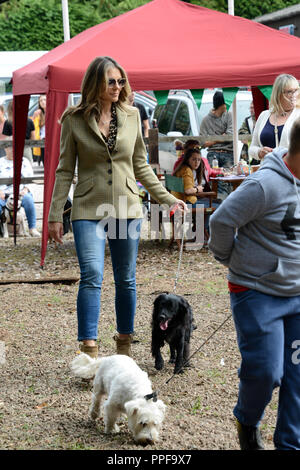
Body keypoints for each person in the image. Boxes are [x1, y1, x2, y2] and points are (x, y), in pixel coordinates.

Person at [48, 56, 186, 359]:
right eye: (111, 81)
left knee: (126, 278)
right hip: (88, 208)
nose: (117, 86)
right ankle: (89, 350)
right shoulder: (73, 119)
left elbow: (140, 165)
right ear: (96, 83)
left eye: (120, 81)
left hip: (126, 207)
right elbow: (63, 169)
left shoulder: (133, 115)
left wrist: (167, 198)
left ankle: (124, 345)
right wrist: (55, 214)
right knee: (92, 274)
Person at [208, 117, 300, 450]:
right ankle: (247, 420)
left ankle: (291, 444)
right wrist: (230, 259)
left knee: (297, 377)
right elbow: (220, 221)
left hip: (298, 296)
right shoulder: (265, 185)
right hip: (257, 291)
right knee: (266, 372)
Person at [249, 73, 300, 163]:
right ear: (278, 94)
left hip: (292, 174)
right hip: (267, 172)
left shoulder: (298, 115)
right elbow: (252, 148)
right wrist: (260, 152)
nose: (293, 95)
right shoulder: (264, 115)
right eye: (289, 92)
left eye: (296, 90)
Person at [172, 147, 221, 233]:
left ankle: (201, 231)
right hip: (186, 204)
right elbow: (188, 191)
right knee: (218, 207)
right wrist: (197, 189)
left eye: (199, 160)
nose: (197, 162)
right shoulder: (186, 170)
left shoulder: (182, 168)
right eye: (194, 159)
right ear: (187, 160)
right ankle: (204, 232)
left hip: (180, 201)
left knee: (216, 202)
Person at [0, 139, 40, 237]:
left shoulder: (24, 161)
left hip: (20, 192)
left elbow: (30, 179)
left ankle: (32, 228)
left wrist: (25, 190)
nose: (13, 149)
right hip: (3, 192)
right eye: (10, 147)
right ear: (5, 148)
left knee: (28, 200)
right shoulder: (0, 162)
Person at [200, 91, 233, 169]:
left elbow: (229, 136)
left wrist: (212, 140)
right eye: (226, 103)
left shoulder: (229, 115)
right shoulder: (206, 120)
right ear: (221, 104)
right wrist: (221, 137)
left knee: (229, 179)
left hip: (228, 153)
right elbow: (202, 143)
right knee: (213, 179)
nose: (228, 105)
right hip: (212, 154)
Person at [33, 94, 46, 166]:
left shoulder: (52, 112)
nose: (43, 102)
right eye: (41, 101)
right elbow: (35, 128)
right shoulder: (38, 113)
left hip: (51, 141)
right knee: (45, 162)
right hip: (42, 140)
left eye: (44, 100)